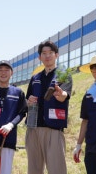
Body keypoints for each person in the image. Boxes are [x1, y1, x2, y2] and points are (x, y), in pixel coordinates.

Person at [25, 41, 72, 174]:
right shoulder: (35, 78)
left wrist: (60, 94)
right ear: (39, 57)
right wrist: (29, 101)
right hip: (33, 128)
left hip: (54, 129)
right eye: (44, 54)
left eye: (50, 53)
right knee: (33, 169)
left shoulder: (64, 75)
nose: (47, 56)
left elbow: (64, 95)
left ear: (56, 55)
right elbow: (27, 100)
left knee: (57, 169)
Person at [73, 55, 96, 174]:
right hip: (92, 148)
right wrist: (78, 145)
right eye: (94, 68)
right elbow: (85, 121)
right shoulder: (89, 94)